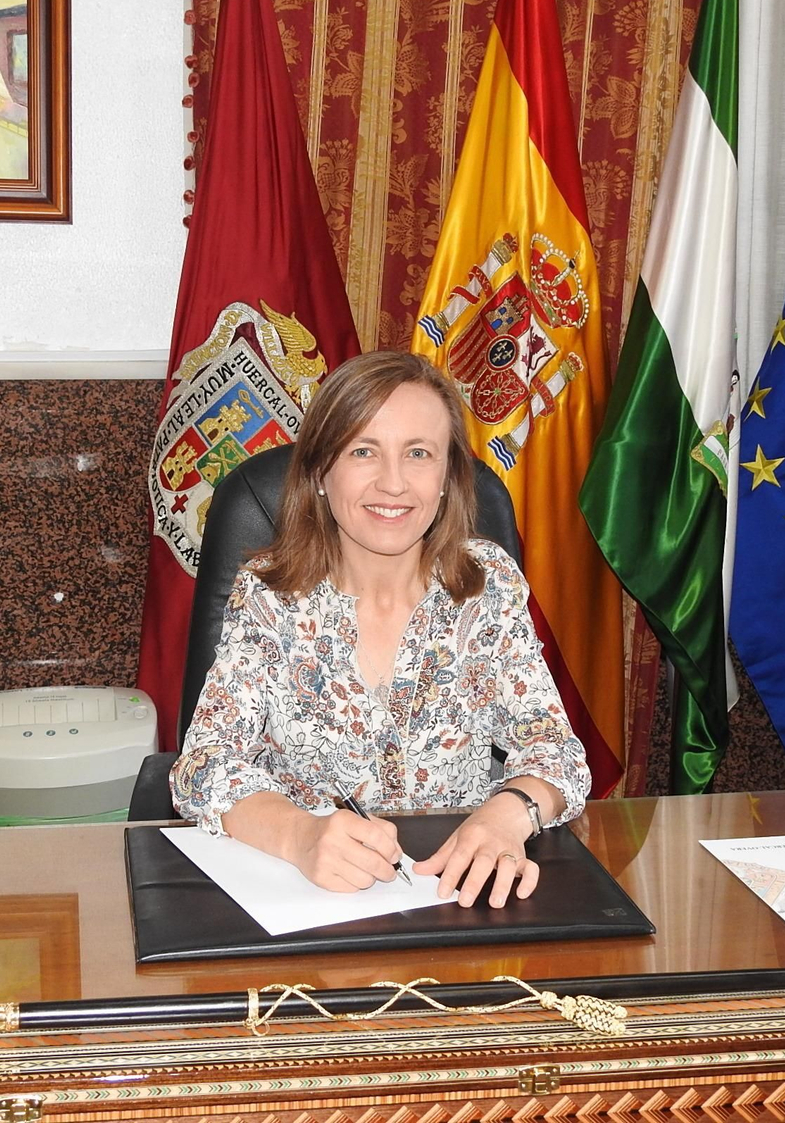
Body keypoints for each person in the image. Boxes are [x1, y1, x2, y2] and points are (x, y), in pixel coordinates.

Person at [170, 350, 590, 910]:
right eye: (363, 451)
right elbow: (202, 766)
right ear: (321, 470)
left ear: (447, 477)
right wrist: (301, 835)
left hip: (453, 895)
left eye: (419, 454)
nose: (393, 484)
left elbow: (556, 752)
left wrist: (507, 814)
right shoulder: (269, 595)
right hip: (307, 897)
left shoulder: (486, 586)